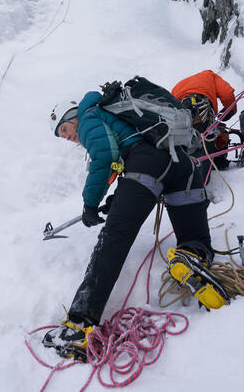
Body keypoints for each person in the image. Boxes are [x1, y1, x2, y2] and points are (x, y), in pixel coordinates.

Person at [43, 85, 229, 360]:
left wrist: (90, 204)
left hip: (146, 165)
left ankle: (79, 325)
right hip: (183, 166)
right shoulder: (119, 118)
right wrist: (117, 198)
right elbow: (128, 157)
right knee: (194, 237)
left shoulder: (87, 116)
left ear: (71, 117)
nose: (69, 137)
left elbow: (105, 156)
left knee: (114, 238)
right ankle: (191, 257)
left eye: (64, 131)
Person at [171, 70, 237, 174]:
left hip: (180, 109)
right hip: (201, 106)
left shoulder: (179, 85)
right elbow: (227, 94)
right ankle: (202, 176)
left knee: (184, 142)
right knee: (205, 140)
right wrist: (231, 110)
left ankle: (185, 174)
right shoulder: (210, 75)